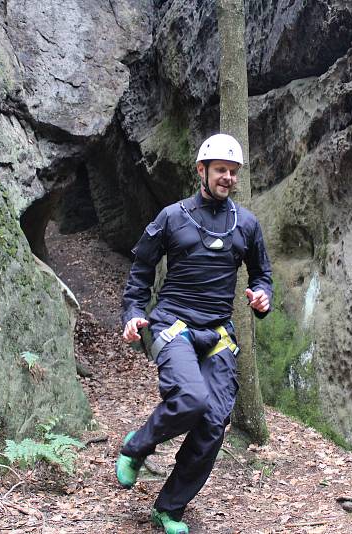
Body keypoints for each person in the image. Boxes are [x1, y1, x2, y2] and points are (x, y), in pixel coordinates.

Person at [117, 133, 273, 534]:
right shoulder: (171, 217)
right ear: (201, 170)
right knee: (190, 398)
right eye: (221, 170)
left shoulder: (247, 224)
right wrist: (134, 314)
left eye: (233, 172)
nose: (228, 178)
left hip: (219, 333)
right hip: (174, 325)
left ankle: (169, 509)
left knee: (213, 422)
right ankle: (137, 446)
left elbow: (262, 275)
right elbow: (141, 273)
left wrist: (262, 296)